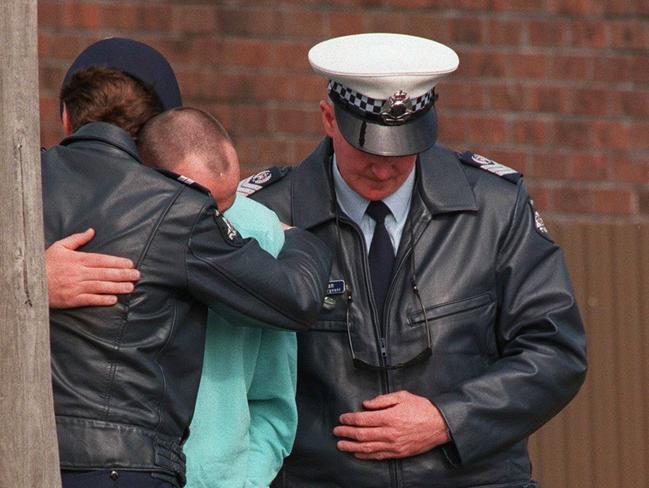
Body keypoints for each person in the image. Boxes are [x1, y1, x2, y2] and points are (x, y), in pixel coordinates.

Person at [237, 33, 588, 487]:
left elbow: (555, 350)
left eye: (402, 150)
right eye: (369, 148)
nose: (384, 168)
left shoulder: (496, 209)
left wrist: (447, 420)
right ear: (329, 118)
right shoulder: (264, 217)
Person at [42, 38, 331, 488]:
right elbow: (296, 298)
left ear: (66, 116)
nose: (214, 215)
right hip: (130, 465)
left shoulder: (23, 188)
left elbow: (272, 396)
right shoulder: (170, 209)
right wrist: (305, 241)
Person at [136, 107, 299, 488]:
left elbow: (274, 399)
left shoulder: (260, 230)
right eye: (208, 207)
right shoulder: (118, 226)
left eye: (230, 202)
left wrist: (245, 481)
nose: (223, 222)